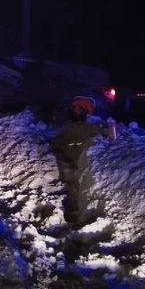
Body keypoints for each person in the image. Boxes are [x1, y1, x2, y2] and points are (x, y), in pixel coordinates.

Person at [50, 96, 105, 224]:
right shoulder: (66, 126)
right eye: (75, 108)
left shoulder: (88, 127)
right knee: (68, 188)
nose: (76, 111)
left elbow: (101, 134)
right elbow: (57, 140)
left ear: (85, 112)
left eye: (80, 109)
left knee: (77, 189)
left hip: (80, 164)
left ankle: (77, 216)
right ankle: (69, 215)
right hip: (65, 163)